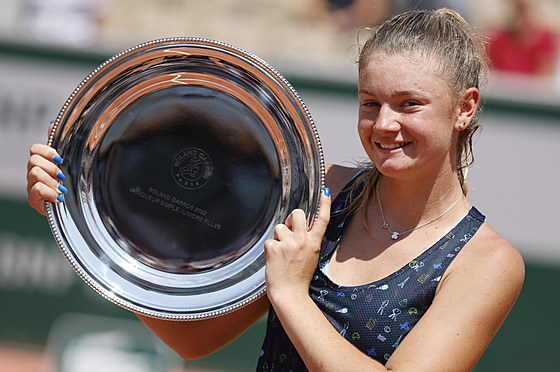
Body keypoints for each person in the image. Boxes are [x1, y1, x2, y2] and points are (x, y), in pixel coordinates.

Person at [27, 8, 525, 371]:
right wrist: (94, 219)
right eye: (370, 102)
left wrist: (290, 293)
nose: (384, 125)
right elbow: (194, 341)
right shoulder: (327, 194)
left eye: (409, 104)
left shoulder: (486, 263)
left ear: (465, 107)